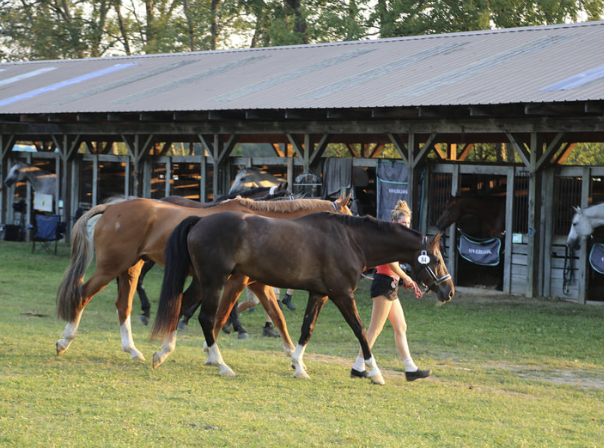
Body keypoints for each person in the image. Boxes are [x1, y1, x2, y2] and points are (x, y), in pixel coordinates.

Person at [351, 199, 431, 382]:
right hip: (384, 284)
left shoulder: (397, 238)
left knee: (401, 327)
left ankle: (410, 368)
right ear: (395, 223)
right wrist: (406, 277)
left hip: (390, 285)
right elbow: (390, 262)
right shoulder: (390, 237)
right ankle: (358, 365)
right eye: (403, 223)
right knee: (374, 330)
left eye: (408, 223)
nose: (406, 226)